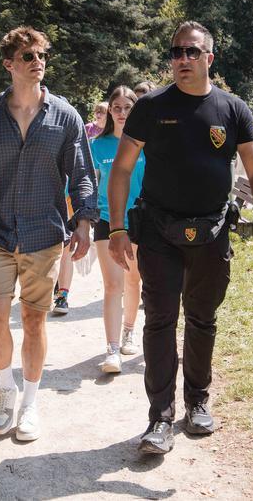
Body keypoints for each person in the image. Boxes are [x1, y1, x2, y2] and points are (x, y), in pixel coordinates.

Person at [109, 21, 253, 455]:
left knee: (203, 319)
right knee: (160, 320)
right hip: (159, 231)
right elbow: (122, 169)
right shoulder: (150, 107)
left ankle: (198, 403)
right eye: (176, 52)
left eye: (191, 51)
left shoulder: (233, 109)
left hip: (212, 231)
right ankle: (159, 418)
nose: (182, 59)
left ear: (209, 58)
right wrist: (116, 228)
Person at [0, 26, 98, 442]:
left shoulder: (65, 116)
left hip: (44, 233)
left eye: (41, 56)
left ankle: (31, 403)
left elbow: (82, 176)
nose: (37, 62)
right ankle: (6, 387)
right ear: (9, 64)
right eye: (28, 56)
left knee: (35, 322)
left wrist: (84, 222)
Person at [90, 86, 145, 374]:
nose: (122, 113)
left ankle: (128, 331)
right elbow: (89, 182)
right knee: (113, 285)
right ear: (109, 111)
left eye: (128, 107)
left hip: (140, 219)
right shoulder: (97, 146)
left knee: (133, 281)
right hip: (107, 220)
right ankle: (112, 349)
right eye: (117, 108)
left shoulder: (147, 143)